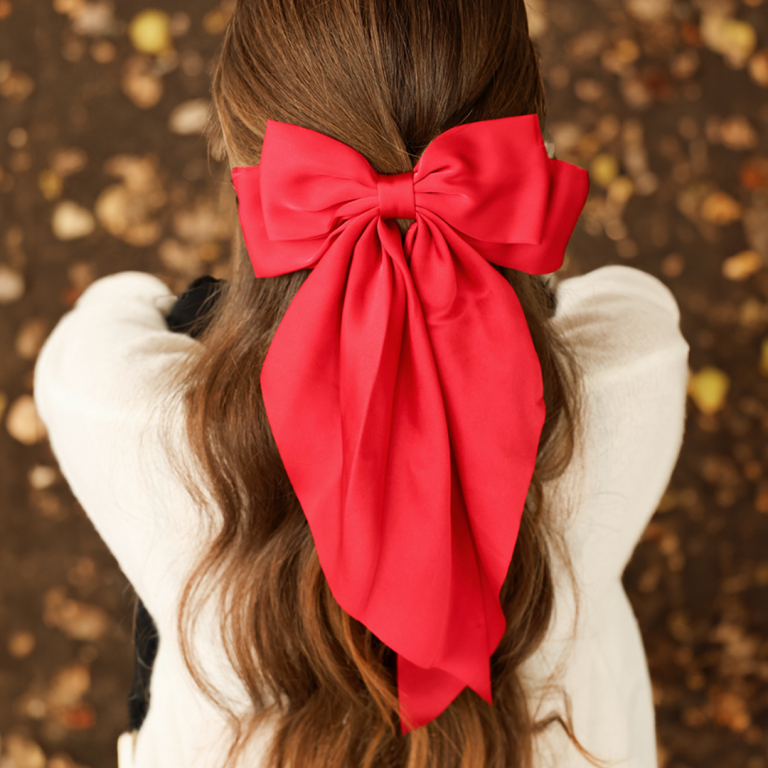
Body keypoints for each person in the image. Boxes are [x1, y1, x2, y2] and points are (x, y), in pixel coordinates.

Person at [33, 0, 690, 766]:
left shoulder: (113, 402)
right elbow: (609, 299)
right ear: (524, 148)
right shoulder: (634, 361)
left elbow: (117, 307)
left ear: (243, 159)